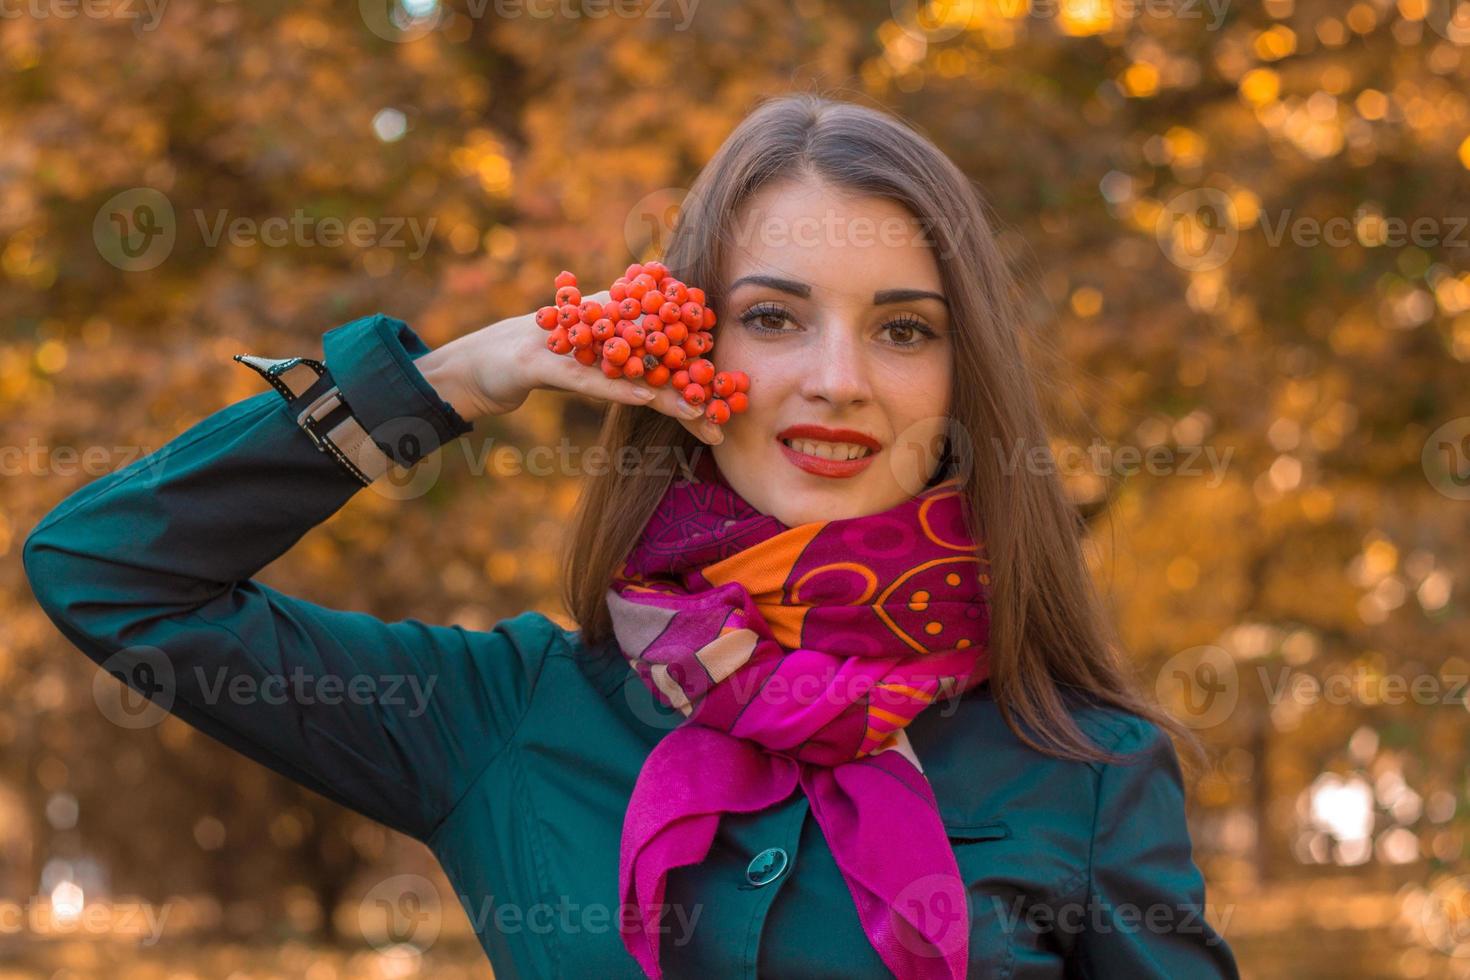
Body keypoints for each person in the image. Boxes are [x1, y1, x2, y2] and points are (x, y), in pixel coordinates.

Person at [23, 93, 1239, 978]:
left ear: (962, 382)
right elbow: (112, 573)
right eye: (774, 317)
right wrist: (458, 376)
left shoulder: (1085, 768)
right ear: (693, 353)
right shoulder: (507, 715)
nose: (838, 378)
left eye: (905, 330)